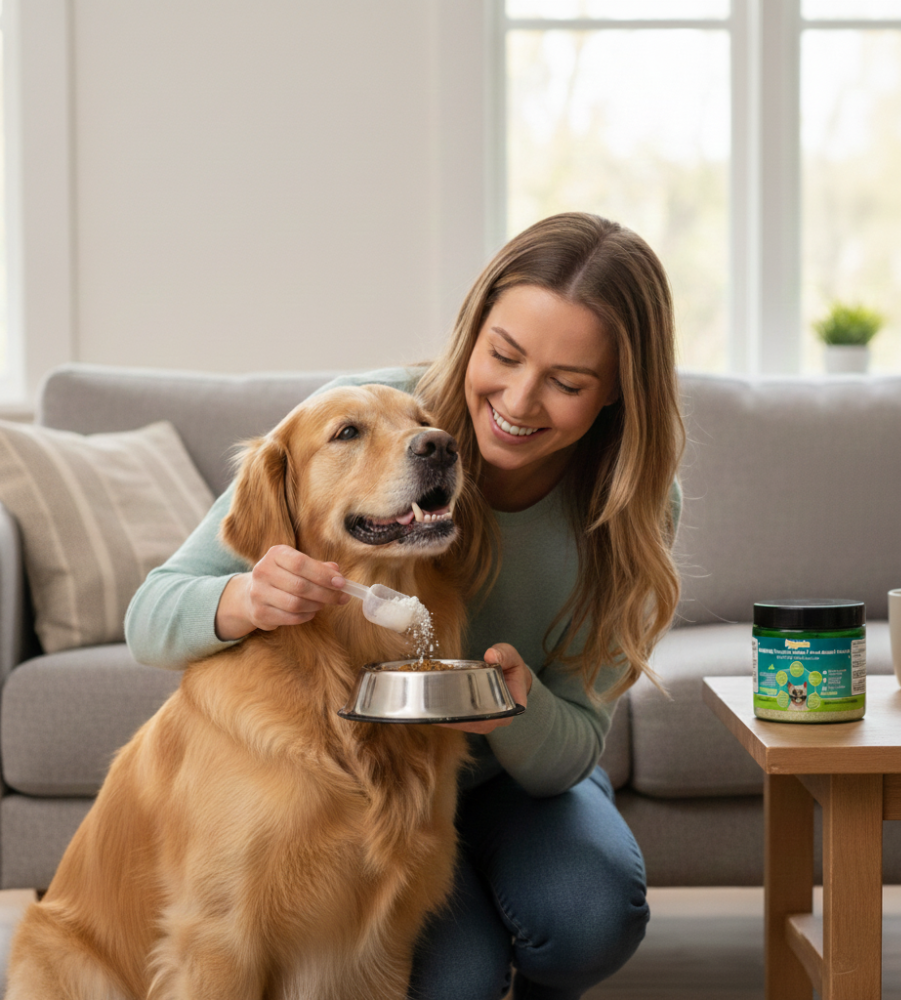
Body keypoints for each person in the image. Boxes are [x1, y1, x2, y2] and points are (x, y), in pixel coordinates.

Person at [125, 211, 685, 999]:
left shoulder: (633, 509)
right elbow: (151, 615)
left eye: (566, 383)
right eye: (505, 354)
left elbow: (574, 748)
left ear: (620, 392)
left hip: (519, 790)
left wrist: (513, 715)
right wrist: (248, 594)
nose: (519, 401)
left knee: (585, 913)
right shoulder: (381, 420)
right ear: (474, 327)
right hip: (391, 789)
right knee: (456, 982)